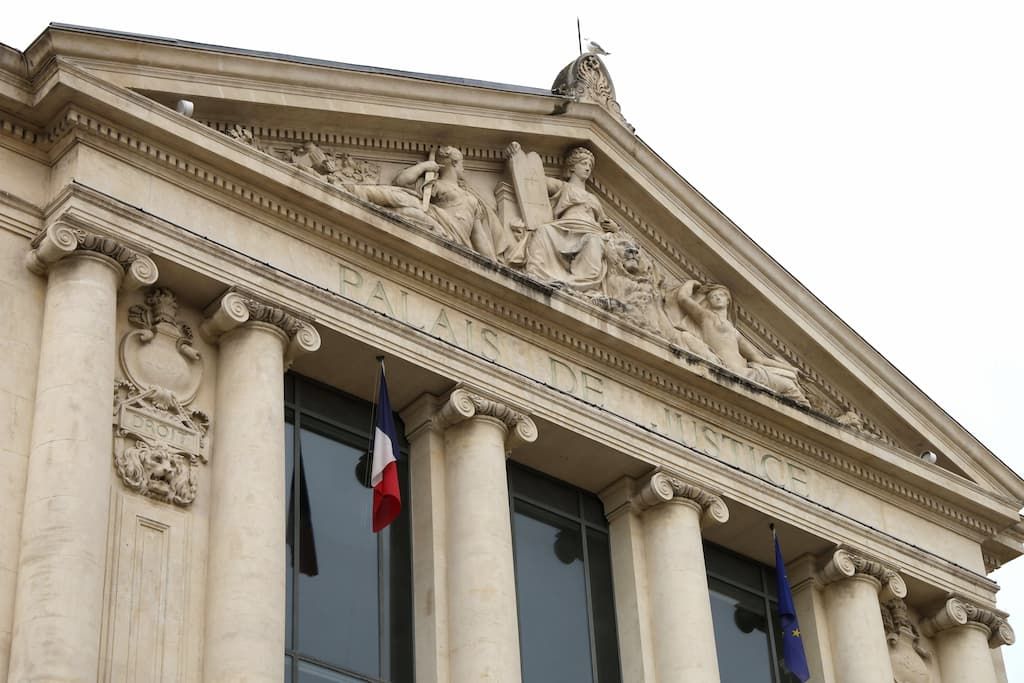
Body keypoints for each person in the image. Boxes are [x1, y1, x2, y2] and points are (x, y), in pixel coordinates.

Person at [346, 146, 511, 261]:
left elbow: (478, 236)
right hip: (436, 222)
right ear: (454, 163)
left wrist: (494, 266)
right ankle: (355, 191)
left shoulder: (472, 199)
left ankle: (360, 193)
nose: (464, 169)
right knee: (403, 198)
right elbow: (401, 181)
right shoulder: (436, 184)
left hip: (454, 238)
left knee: (407, 206)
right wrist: (424, 166)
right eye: (462, 164)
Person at [674, 280, 810, 407]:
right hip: (731, 371)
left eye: (721, 295)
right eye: (713, 296)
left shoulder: (735, 332)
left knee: (792, 390)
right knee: (791, 391)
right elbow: (683, 298)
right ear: (708, 301)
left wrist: (791, 369)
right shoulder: (707, 317)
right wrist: (691, 283)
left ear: (728, 300)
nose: (717, 297)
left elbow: (758, 359)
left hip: (747, 373)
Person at [520, 146, 619, 292]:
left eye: (590, 165)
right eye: (584, 164)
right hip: (565, 227)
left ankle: (579, 284)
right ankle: (535, 273)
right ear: (572, 167)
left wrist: (614, 228)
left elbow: (604, 221)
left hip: (590, 230)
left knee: (594, 241)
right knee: (543, 230)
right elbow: (534, 178)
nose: (588, 169)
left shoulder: (593, 198)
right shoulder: (563, 187)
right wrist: (516, 157)